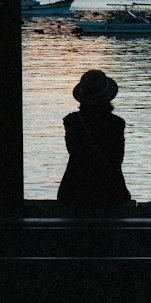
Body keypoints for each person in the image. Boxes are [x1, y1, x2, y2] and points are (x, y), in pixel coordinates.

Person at [57, 68, 133, 206]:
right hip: (110, 192)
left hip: (74, 191)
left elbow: (74, 153)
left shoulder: (71, 122)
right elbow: (117, 159)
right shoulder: (116, 124)